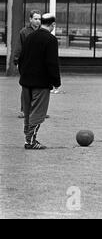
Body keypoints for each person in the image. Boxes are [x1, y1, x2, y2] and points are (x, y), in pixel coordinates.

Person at [18, 14, 61, 150]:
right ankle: (30, 141)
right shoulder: (51, 39)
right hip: (41, 83)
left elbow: (21, 58)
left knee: (28, 112)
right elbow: (52, 63)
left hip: (26, 82)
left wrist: (24, 76)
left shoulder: (30, 36)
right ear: (53, 25)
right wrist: (56, 81)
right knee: (38, 112)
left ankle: (28, 138)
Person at [14, 10, 42, 119]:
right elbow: (19, 47)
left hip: (40, 65)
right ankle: (24, 110)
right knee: (26, 87)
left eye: (39, 19)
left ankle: (38, 110)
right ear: (30, 19)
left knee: (39, 88)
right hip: (26, 64)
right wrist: (16, 61)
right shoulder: (24, 32)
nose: (37, 21)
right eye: (35, 19)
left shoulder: (43, 32)